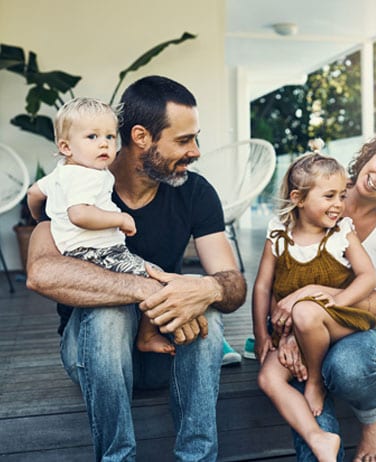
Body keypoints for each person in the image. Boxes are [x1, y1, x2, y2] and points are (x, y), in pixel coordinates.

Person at [26, 75, 247, 461]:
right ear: (142, 137)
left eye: (196, 138)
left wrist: (206, 290)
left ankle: (198, 458)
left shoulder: (195, 192)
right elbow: (41, 272)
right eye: (183, 140)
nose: (195, 152)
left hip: (165, 352)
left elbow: (232, 283)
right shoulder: (76, 182)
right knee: (110, 313)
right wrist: (144, 289)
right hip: (94, 356)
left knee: (204, 306)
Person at [269, 126, 376, 462]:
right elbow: (278, 273)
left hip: (358, 328)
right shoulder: (322, 189)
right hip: (302, 325)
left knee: (348, 366)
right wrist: (289, 331)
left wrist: (313, 298)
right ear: (374, 151)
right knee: (298, 373)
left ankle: (374, 416)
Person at [254, 152, 376, 461]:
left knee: (306, 311)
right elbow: (262, 286)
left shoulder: (341, 233)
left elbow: (368, 277)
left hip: (341, 318)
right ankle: (319, 438)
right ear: (298, 198)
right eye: (329, 196)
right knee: (268, 378)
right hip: (299, 324)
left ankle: (314, 381)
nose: (338, 204)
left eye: (341, 195)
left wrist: (335, 301)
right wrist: (262, 335)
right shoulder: (279, 235)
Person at [27, 96, 174, 356]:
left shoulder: (61, 173)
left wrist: (42, 218)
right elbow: (79, 214)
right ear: (66, 146)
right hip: (100, 253)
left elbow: (33, 194)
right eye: (92, 137)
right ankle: (147, 335)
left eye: (109, 136)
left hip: (75, 255)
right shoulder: (88, 176)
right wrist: (121, 219)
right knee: (158, 278)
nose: (104, 143)